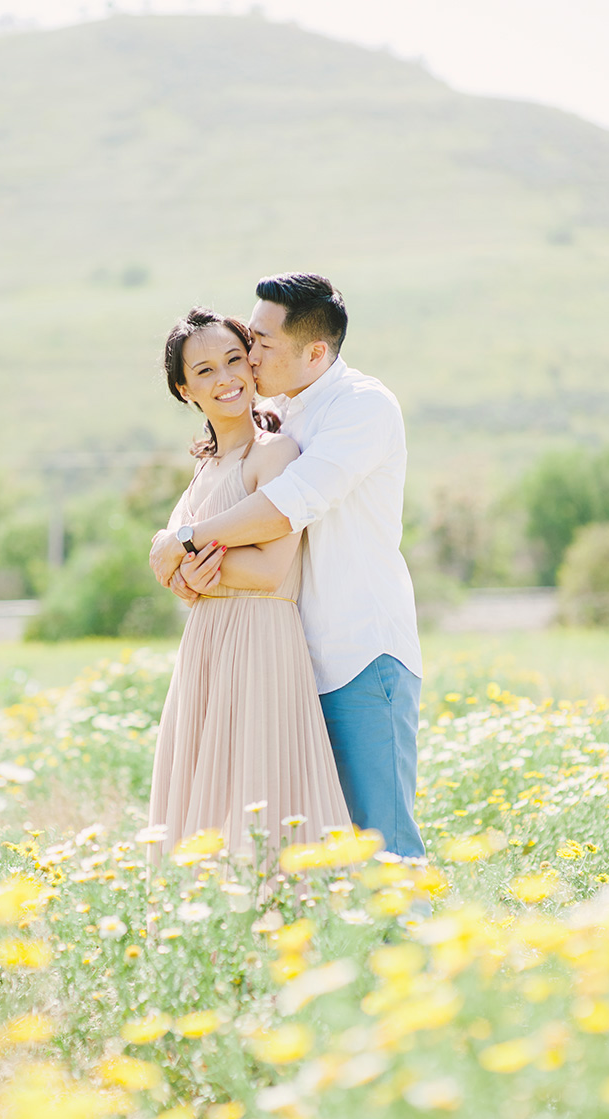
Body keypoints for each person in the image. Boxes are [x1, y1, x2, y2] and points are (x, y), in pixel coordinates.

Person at [151, 274, 425, 860]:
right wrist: (178, 558)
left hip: (358, 653)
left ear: (315, 352)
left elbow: (281, 510)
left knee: (379, 840)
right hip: (285, 663)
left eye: (260, 344)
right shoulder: (274, 412)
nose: (248, 357)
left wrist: (186, 542)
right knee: (302, 844)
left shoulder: (362, 407)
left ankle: (413, 949)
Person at [146, 306, 350, 855]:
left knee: (258, 793)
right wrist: (182, 563)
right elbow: (165, 562)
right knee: (206, 797)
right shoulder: (204, 468)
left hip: (261, 644)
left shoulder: (275, 454)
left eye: (235, 359)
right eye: (205, 370)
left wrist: (188, 559)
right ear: (184, 388)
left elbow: (268, 570)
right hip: (208, 647)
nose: (227, 378)